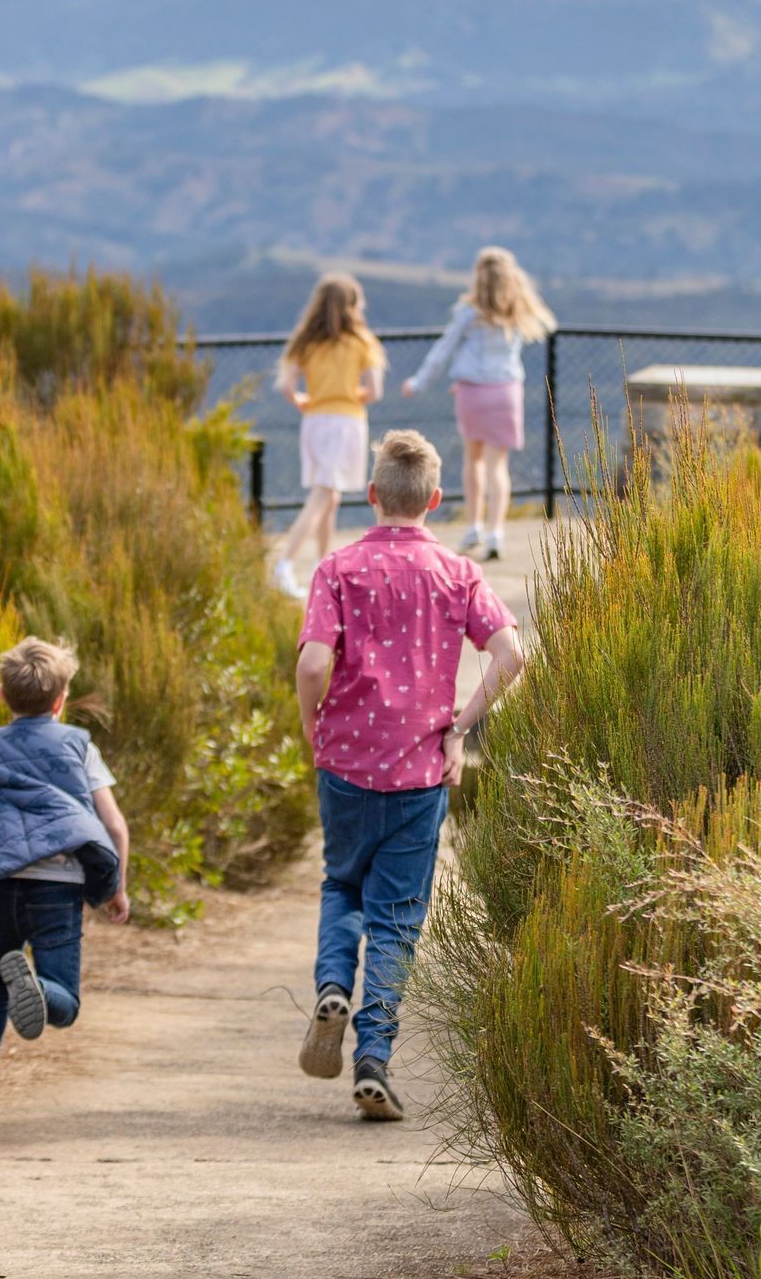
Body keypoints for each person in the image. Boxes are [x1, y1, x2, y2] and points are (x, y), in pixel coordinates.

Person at [294, 429, 524, 1121]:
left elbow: (311, 664)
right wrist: (460, 726)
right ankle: (373, 1059)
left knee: (342, 884)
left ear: (372, 496)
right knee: (396, 920)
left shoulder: (338, 568)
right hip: (420, 773)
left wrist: (315, 727)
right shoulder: (457, 573)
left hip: (346, 765)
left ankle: (334, 983)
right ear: (436, 498)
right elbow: (511, 653)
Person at [0, 637, 132, 1123]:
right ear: (61, 700)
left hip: (2, 885)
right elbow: (114, 824)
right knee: (64, 1001)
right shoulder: (78, 746)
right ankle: (40, 994)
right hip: (57, 888)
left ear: (3, 695)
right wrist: (118, 887)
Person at [401, 247, 556, 561]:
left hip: (472, 391)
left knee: (474, 460)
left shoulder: (468, 314)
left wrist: (418, 383)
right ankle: (496, 531)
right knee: (499, 466)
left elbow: (442, 351)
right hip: (506, 392)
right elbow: (548, 325)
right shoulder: (517, 311)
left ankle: (474, 524)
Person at [271, 274, 387, 600]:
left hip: (314, 420)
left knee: (329, 496)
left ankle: (322, 569)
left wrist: (305, 401)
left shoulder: (305, 342)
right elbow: (375, 391)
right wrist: (350, 394)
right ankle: (284, 564)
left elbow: (286, 386)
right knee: (323, 494)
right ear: (352, 306)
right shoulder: (362, 342)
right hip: (345, 421)